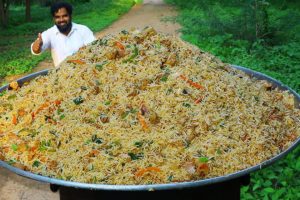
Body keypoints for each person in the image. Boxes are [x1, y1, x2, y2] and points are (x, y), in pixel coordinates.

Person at [31, 2, 95, 67]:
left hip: (85, 71)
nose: (61, 20)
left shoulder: (83, 30)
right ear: (53, 19)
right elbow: (35, 50)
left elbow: (94, 48)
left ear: (70, 15)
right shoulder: (49, 34)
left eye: (65, 16)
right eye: (57, 17)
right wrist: (36, 47)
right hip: (62, 74)